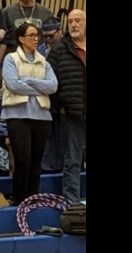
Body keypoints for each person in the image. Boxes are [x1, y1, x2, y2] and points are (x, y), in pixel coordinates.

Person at [0, 22, 57, 206]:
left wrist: (28, 80)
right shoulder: (10, 59)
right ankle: (20, 199)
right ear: (21, 39)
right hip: (17, 116)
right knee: (23, 159)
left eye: (37, 35)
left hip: (41, 116)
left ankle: (33, 198)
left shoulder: (44, 61)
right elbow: (13, 84)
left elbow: (53, 86)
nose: (36, 38)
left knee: (36, 161)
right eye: (31, 35)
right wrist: (40, 87)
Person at [47, 10, 85, 205]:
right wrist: (60, 106)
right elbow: (49, 82)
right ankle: (73, 204)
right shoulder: (59, 50)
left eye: (78, 21)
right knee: (72, 160)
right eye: (70, 21)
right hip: (73, 112)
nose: (74, 25)